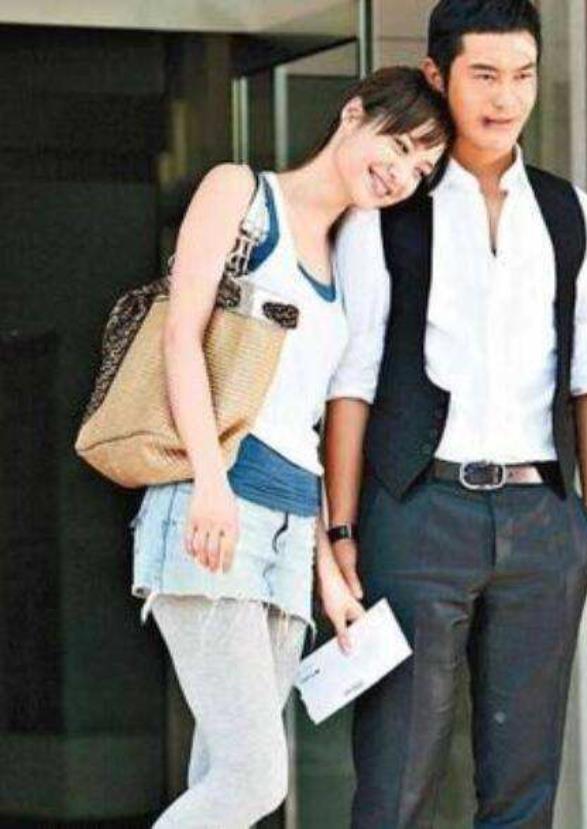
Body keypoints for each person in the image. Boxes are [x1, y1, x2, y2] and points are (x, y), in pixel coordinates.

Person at [324, 2, 587, 827]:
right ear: (438, 75)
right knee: (394, 783)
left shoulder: (572, 215)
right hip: (418, 512)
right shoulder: (387, 210)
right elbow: (352, 383)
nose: (506, 97)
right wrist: (344, 528)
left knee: (523, 791)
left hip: (543, 520)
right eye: (485, 75)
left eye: (523, 75)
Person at [127, 66, 452, 828]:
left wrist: (326, 573)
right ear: (353, 112)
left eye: (421, 168)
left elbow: (301, 427)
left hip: (283, 536)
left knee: (222, 773)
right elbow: (180, 337)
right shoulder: (241, 195)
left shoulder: (343, 256)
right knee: (254, 778)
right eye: (400, 144)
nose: (402, 173)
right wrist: (210, 480)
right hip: (212, 512)